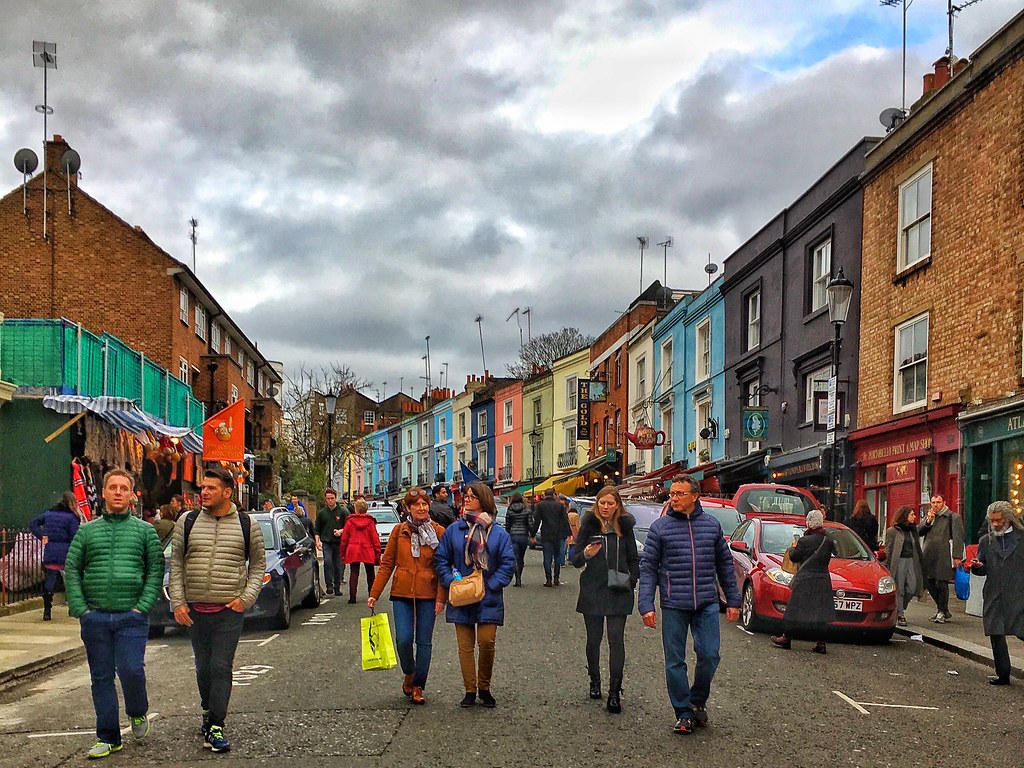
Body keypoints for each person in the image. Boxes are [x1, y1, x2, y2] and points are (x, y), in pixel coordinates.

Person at [63, 469, 164, 760]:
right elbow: (72, 570)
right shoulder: (87, 531)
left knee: (132, 670)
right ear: (104, 493)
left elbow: (155, 570)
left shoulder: (145, 531)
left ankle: (137, 711)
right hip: (95, 618)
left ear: (132, 495)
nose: (118, 492)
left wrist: (142, 606)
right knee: (101, 678)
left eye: (124, 488)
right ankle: (108, 737)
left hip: (131, 617)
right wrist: (82, 609)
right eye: (112, 487)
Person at [169, 466, 266, 754]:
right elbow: (177, 565)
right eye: (203, 488)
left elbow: (258, 566)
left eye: (211, 488)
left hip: (228, 610)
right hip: (195, 610)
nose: (204, 492)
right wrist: (178, 602)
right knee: (203, 668)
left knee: (220, 666)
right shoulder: (186, 521)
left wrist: (245, 599)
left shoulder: (248, 525)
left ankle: (216, 725)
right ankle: (207, 711)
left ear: (227, 492)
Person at [638, 475, 740, 735]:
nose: (673, 498)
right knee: (675, 661)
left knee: (710, 654)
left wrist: (733, 600)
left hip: (706, 601)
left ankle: (697, 700)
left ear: (695, 496)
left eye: (679, 494)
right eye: (672, 494)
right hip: (674, 602)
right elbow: (648, 568)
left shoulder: (711, 526)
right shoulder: (660, 528)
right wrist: (646, 604)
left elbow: (725, 565)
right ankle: (683, 712)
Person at [435, 482, 516, 708]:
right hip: (461, 595)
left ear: (484, 500)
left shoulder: (498, 533)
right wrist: (451, 581)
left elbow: (508, 563)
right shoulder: (454, 530)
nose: (467, 499)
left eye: (472, 496)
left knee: (487, 642)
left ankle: (485, 687)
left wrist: (490, 585)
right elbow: (442, 559)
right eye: (466, 496)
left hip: (488, 595)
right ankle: (470, 690)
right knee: (465, 646)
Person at [368, 488, 447, 705]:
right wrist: (374, 593)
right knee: (403, 639)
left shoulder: (438, 532)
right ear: (408, 508)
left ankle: (418, 685)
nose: (421, 508)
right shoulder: (398, 531)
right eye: (417, 505)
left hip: (428, 592)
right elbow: (387, 564)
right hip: (402, 591)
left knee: (424, 642)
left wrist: (441, 597)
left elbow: (444, 567)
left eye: (424, 504)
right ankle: (409, 672)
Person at [569, 485, 639, 713]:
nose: (606, 507)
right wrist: (586, 554)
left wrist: (632, 580)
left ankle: (615, 692)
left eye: (610, 503)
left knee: (616, 639)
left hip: (619, 587)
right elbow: (575, 559)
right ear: (596, 505)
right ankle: (594, 679)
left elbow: (633, 558)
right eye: (602, 503)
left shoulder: (626, 527)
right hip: (594, 587)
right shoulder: (589, 525)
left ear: (617, 505)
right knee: (594, 639)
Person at [968, 501, 1024, 685]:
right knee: (996, 634)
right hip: (994, 594)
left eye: (998, 520)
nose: (995, 524)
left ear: (1009, 519)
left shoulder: (1022, 537)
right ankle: (1003, 674)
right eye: (992, 521)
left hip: (1018, 592)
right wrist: (977, 566)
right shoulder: (986, 541)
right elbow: (982, 569)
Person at [770, 510, 836, 653]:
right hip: (822, 579)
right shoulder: (828, 541)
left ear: (809, 523)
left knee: (794, 610)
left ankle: (786, 638)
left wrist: (794, 547)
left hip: (805, 579)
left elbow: (794, 557)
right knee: (821, 612)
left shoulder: (804, 541)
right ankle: (821, 643)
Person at [28, 491, 83, 621]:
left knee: (50, 580)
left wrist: (43, 537)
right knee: (70, 580)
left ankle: (47, 610)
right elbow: (74, 536)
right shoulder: (72, 517)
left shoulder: (49, 514)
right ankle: (72, 608)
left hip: (51, 549)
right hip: (67, 550)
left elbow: (33, 524)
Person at [919, 494, 965, 623]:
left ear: (944, 502)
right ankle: (942, 610)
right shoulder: (930, 517)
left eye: (938, 502)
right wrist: (928, 521)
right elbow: (918, 531)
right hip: (928, 554)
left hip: (944, 555)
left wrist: (957, 556)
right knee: (929, 582)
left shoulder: (953, 517)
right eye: (933, 502)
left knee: (942, 583)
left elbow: (958, 538)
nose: (935, 505)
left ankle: (941, 611)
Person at [882, 505, 925, 627]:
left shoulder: (913, 530)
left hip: (911, 560)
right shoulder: (893, 531)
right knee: (899, 588)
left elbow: (920, 534)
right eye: (912, 514)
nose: (914, 517)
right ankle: (900, 614)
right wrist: (885, 564)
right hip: (899, 561)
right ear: (905, 516)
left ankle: (900, 607)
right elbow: (888, 549)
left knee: (912, 587)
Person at [340, 499, 381, 604]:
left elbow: (344, 538)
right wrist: (377, 553)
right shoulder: (370, 521)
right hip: (367, 548)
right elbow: (375, 538)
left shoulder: (350, 521)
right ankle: (372, 595)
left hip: (353, 548)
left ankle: (352, 597)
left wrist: (342, 552)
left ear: (356, 509)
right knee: (370, 573)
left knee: (354, 572)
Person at [532, 489, 570, 587]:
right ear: (553, 495)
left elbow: (536, 521)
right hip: (558, 534)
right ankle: (556, 578)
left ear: (544, 495)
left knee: (547, 557)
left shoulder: (540, 505)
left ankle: (548, 579)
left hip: (546, 534)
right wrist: (567, 533)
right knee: (557, 557)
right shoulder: (559, 506)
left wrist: (532, 534)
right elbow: (564, 520)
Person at [316, 488, 349, 595]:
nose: (330, 501)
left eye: (332, 498)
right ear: (325, 499)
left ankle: (337, 587)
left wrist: (341, 531)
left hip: (339, 542)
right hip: (327, 542)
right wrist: (317, 541)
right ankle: (329, 585)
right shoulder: (322, 513)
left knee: (338, 565)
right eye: (328, 499)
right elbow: (317, 529)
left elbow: (349, 526)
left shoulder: (343, 511)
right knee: (328, 562)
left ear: (336, 498)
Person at [504, 492, 532, 587]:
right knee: (521, 558)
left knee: (515, 557)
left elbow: (507, 524)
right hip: (523, 535)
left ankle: (517, 579)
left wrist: (508, 533)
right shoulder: (526, 509)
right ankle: (520, 575)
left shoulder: (510, 510)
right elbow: (530, 524)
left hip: (513, 535)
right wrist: (531, 533)